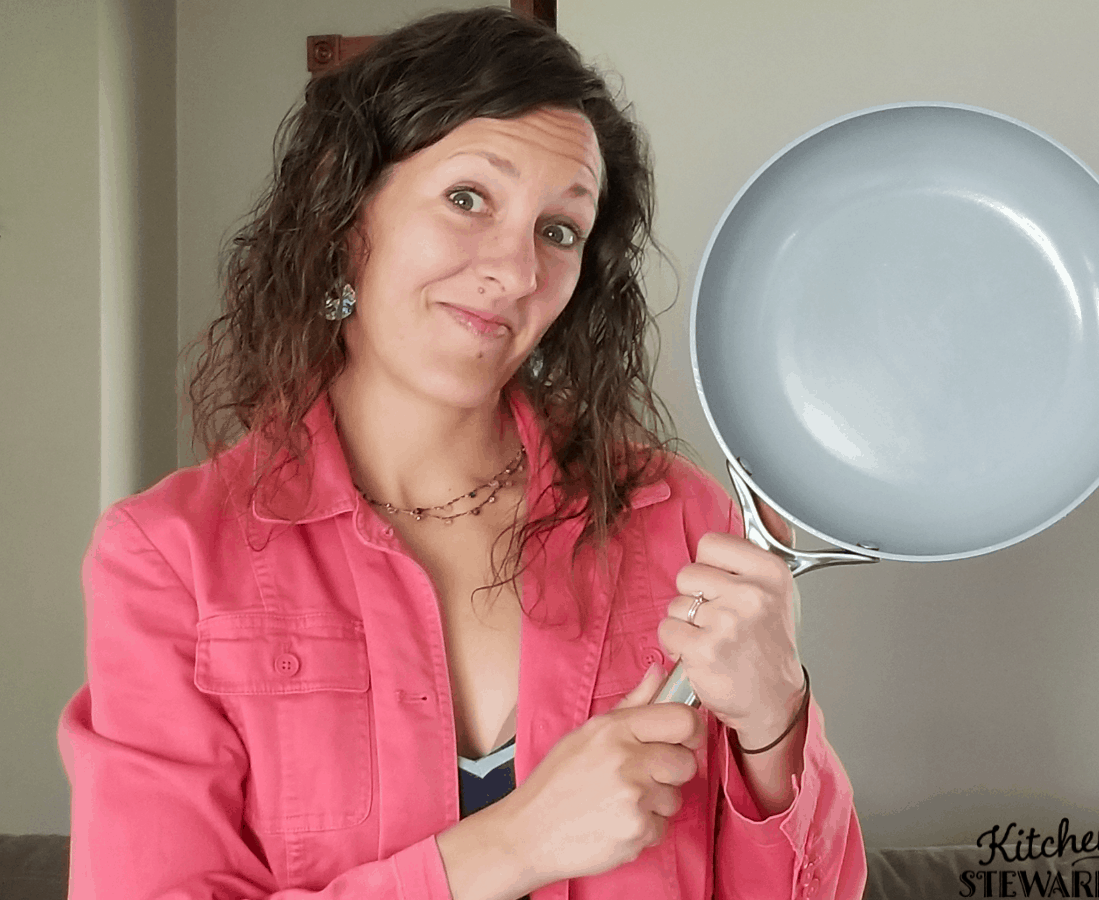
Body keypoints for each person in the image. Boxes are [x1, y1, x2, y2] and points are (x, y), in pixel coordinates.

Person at [58, 7, 865, 899]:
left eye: (559, 231)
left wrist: (773, 720)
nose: (517, 272)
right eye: (468, 198)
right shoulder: (169, 557)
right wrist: (514, 845)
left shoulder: (681, 521)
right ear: (343, 211)